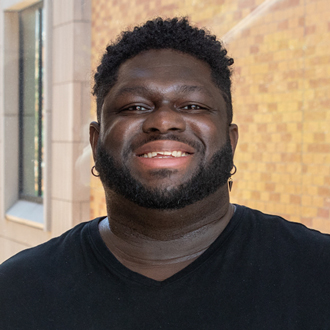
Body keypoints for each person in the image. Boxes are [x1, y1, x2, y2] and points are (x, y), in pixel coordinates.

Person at [1, 17, 330, 329]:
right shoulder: (16, 291)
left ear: (231, 142)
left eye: (192, 106)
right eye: (135, 107)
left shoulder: (317, 272)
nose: (163, 121)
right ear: (96, 142)